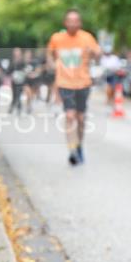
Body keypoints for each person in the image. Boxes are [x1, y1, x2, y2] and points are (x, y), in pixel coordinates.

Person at [47, 9, 101, 165]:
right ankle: (72, 150)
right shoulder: (57, 38)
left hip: (83, 82)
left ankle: (79, 146)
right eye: (69, 21)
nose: (72, 24)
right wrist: (52, 64)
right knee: (70, 116)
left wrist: (94, 54)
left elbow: (99, 54)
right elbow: (49, 54)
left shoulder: (87, 37)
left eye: (75, 21)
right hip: (64, 82)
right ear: (65, 23)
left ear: (80, 23)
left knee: (81, 118)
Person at [8, 47, 28, 115]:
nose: (16, 53)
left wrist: (24, 72)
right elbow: (8, 71)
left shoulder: (23, 61)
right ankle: (12, 106)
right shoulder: (12, 61)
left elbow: (26, 69)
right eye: (15, 52)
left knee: (19, 93)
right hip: (14, 81)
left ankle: (19, 108)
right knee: (14, 95)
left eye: (18, 52)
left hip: (21, 80)